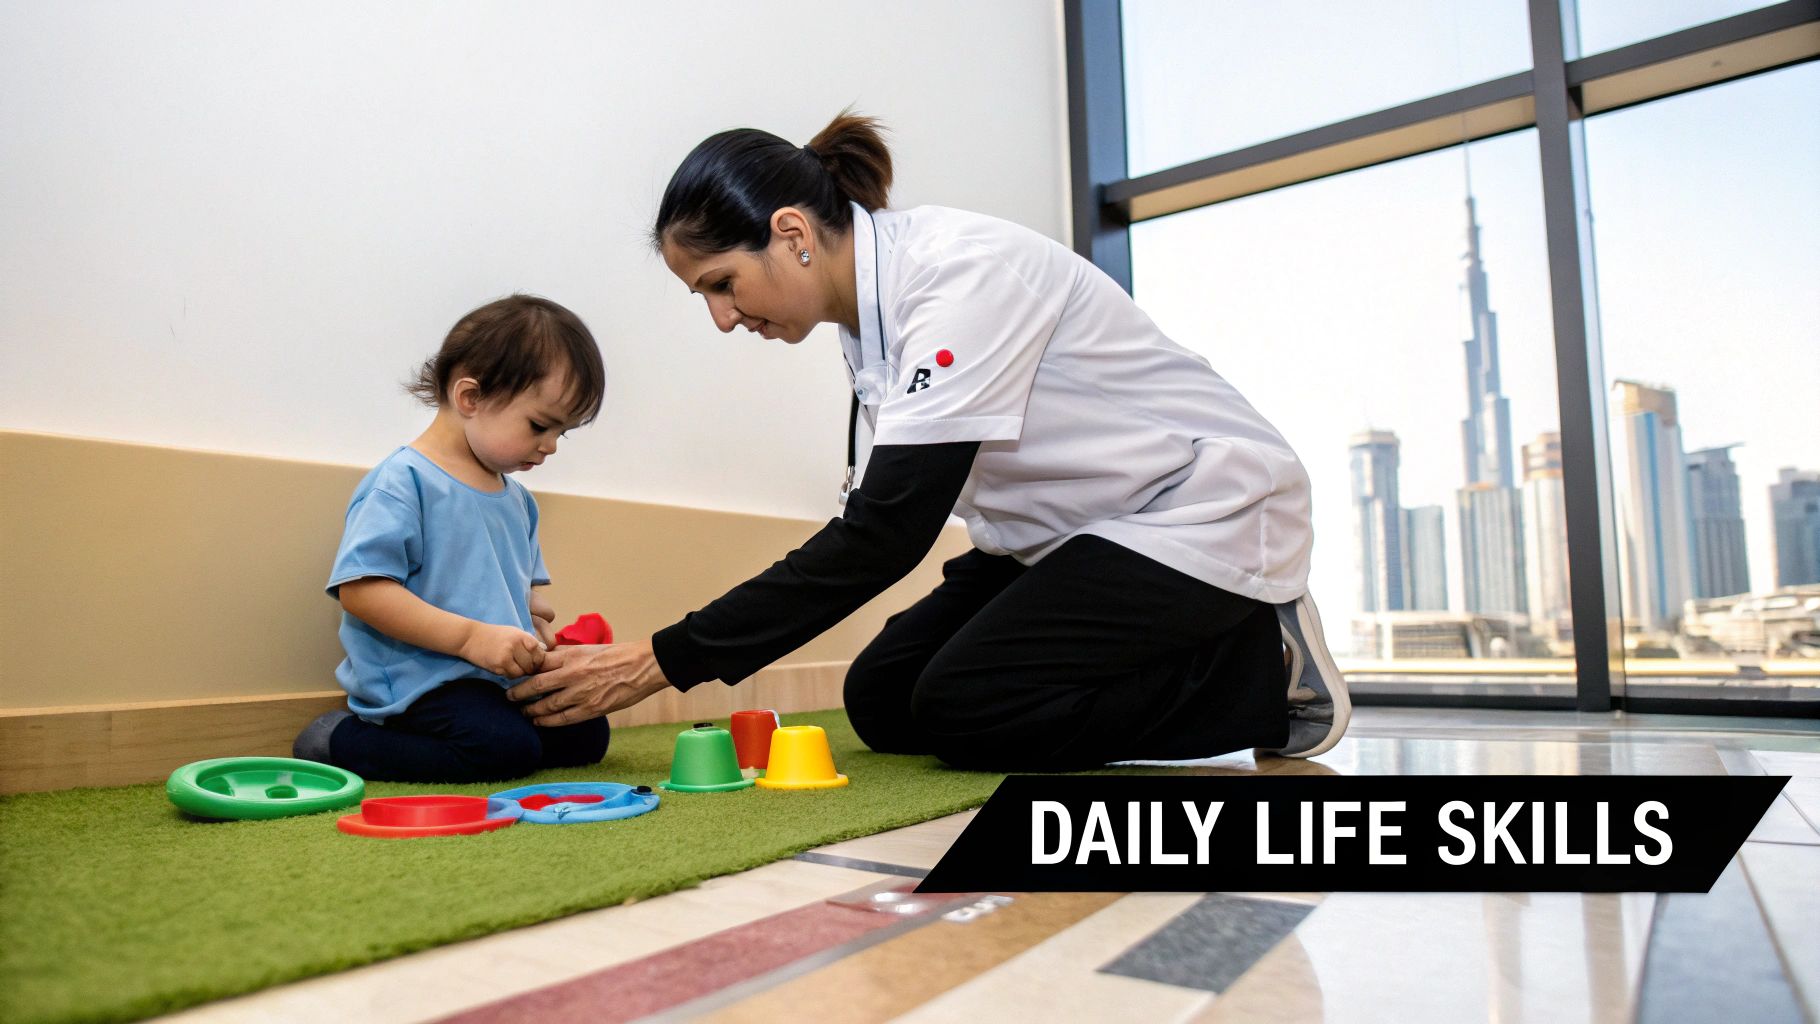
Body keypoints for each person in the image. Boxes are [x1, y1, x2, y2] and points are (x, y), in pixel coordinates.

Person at [509, 112, 1348, 770]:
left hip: (1194, 507)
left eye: (721, 285)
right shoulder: (867, 323)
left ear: (793, 234)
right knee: (882, 700)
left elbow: (883, 538)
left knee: (967, 706)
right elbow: (882, 522)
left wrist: (657, 661)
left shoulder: (959, 280)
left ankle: (1260, 671)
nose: (722, 318)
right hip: (1067, 533)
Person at [292, 294, 610, 782]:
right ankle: (340, 740)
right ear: (470, 398)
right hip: (420, 682)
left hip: (491, 680)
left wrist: (535, 621)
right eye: (539, 425)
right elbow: (361, 591)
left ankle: (501, 736)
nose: (549, 446)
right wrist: (470, 637)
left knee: (588, 732)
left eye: (561, 433)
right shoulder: (404, 482)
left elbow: (521, 588)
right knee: (502, 750)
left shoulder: (518, 500)